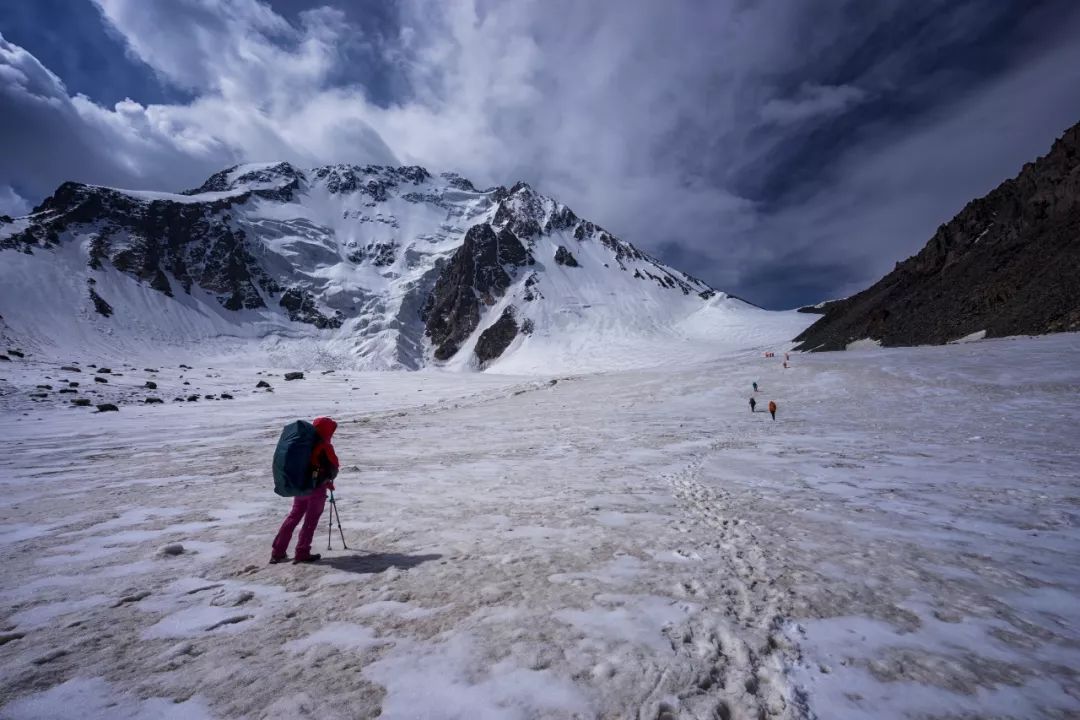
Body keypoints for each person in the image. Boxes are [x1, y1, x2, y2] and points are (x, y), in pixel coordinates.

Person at [271, 416, 340, 564]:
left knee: (293, 516)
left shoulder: (305, 443)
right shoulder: (325, 446)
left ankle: (278, 552)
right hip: (316, 489)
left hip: (300, 486)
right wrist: (327, 480)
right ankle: (302, 552)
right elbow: (333, 468)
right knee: (311, 520)